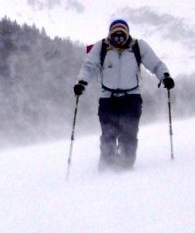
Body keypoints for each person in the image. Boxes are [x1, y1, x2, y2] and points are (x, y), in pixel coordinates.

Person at [73, 18, 174, 171]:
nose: (119, 40)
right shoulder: (101, 47)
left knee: (128, 133)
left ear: (127, 34)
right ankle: (107, 166)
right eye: (115, 36)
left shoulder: (138, 46)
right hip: (108, 98)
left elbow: (155, 64)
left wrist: (165, 76)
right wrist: (81, 82)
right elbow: (89, 66)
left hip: (131, 98)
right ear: (110, 35)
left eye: (122, 36)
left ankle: (126, 166)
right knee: (108, 133)